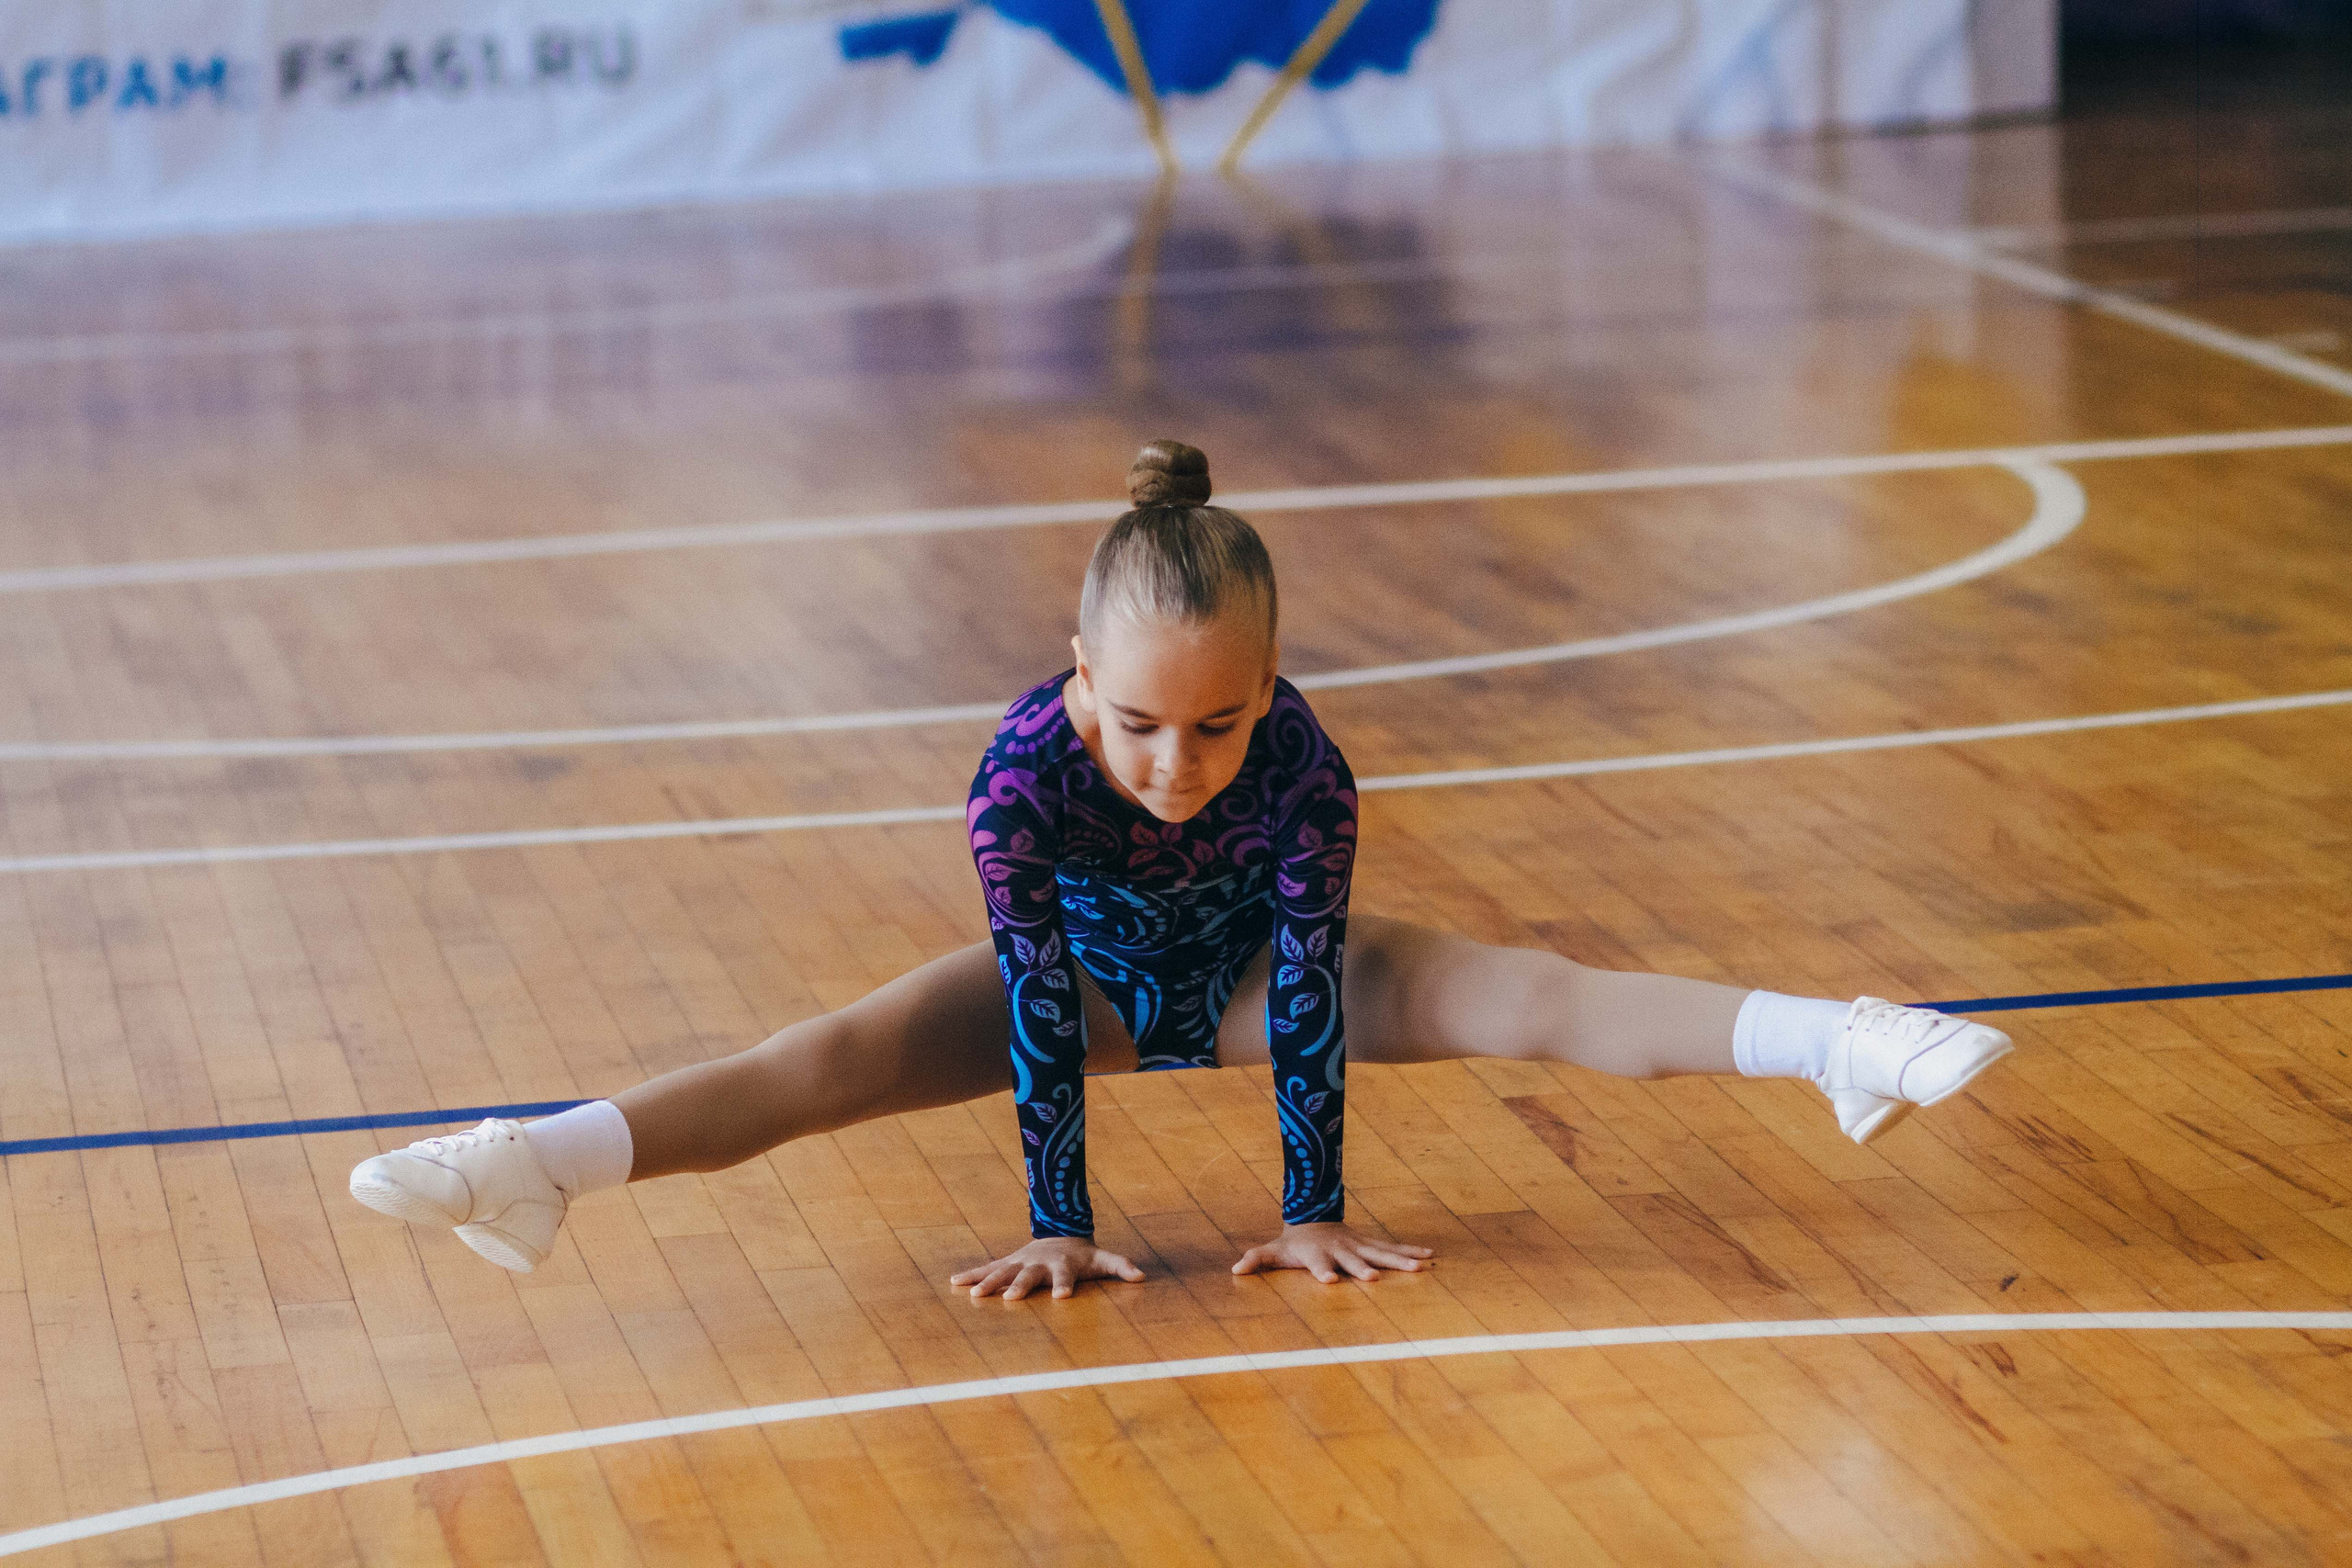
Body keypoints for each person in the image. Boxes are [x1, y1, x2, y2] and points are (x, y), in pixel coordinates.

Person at [352, 439, 2011, 1300]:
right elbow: (1021, 998)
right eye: (1140, 723)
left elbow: (1305, 984)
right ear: (1073, 672)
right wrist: (1060, 1225)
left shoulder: (1299, 764)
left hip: (1240, 972)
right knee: (825, 1062)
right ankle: (539, 1164)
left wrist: (1312, 1212)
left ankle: (1839, 1041)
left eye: (1221, 723)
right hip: (1071, 985)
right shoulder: (1019, 784)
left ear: (1274, 685)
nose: (1176, 763)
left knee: (1531, 992)